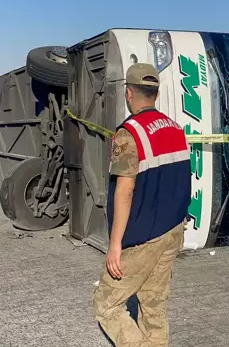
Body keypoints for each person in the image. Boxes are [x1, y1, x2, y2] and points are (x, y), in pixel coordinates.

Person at [92, 63, 191, 347]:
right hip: (172, 229)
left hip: (144, 236)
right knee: (153, 306)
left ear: (129, 93)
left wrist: (114, 245)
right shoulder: (175, 129)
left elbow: (125, 191)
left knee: (106, 305)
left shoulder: (129, 133)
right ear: (156, 95)